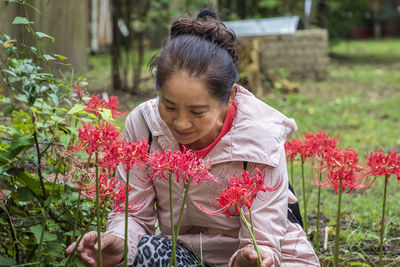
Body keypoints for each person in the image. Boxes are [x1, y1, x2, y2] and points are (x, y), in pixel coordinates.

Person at [66, 8, 320, 267]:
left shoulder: (262, 136)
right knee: (150, 249)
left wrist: (253, 257)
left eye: (197, 112)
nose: (180, 123)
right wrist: (119, 241)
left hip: (272, 258)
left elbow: (265, 242)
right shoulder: (144, 125)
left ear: (230, 97)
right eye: (169, 106)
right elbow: (132, 212)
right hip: (185, 253)